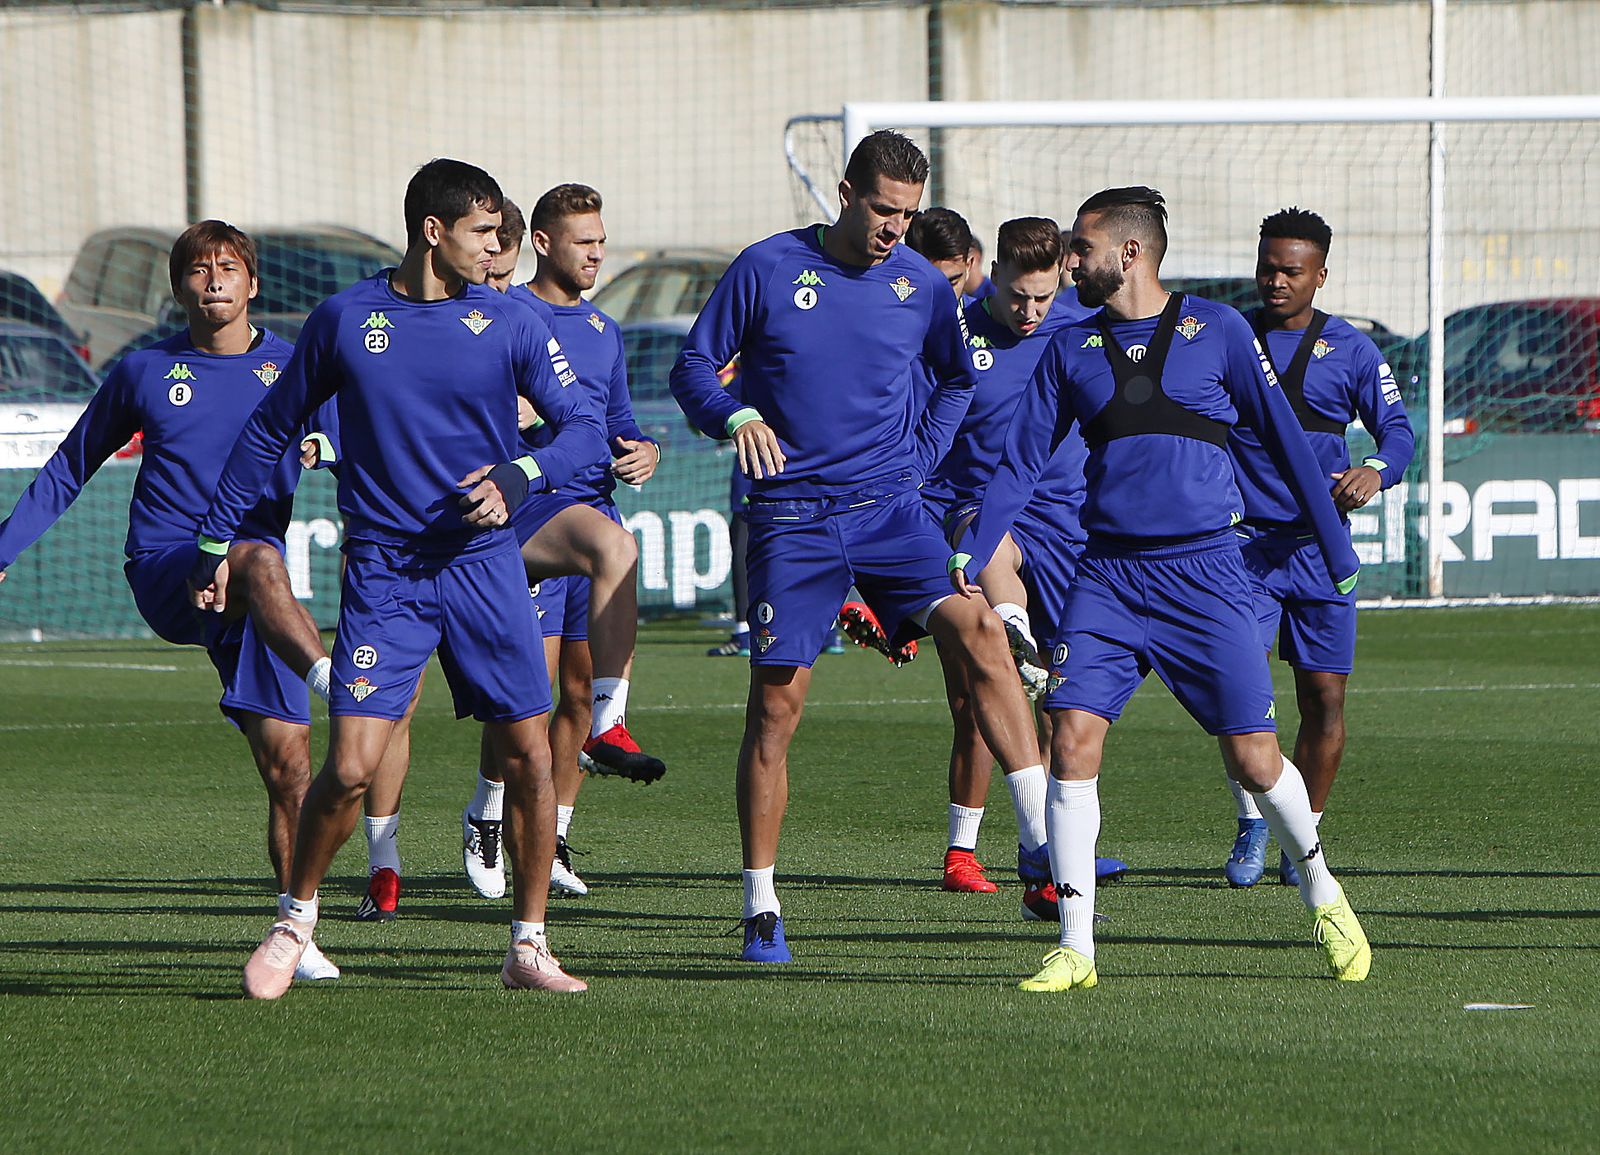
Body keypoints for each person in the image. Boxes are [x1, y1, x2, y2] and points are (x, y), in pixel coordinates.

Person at [192, 158, 606, 998]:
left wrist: (523, 477)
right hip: (386, 571)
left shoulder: (513, 321)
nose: (500, 251)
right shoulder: (346, 319)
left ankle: (528, 945)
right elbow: (268, 431)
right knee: (348, 765)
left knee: (529, 754)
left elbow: (585, 428)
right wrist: (212, 543)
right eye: (486, 233)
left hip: (486, 568)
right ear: (433, 231)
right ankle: (292, 920)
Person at [952, 186, 1373, 990]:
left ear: (1131, 254)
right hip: (1105, 576)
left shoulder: (1216, 329)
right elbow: (1020, 462)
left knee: (1254, 759)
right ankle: (1077, 945)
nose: (1071, 261)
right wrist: (970, 553)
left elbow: (1287, 441)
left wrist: (1331, 542)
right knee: (1071, 739)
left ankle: (1321, 885)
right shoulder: (1069, 349)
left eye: (1083, 247)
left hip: (1208, 574)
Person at [670, 130, 1050, 964]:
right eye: (884, 210)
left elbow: (957, 379)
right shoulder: (766, 267)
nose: (894, 229)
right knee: (776, 706)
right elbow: (692, 366)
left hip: (889, 511)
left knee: (984, 629)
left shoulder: (919, 282)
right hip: (793, 519)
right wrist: (734, 414)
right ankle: (761, 902)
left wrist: (918, 458)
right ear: (844, 192)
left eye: (908, 214)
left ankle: (1037, 842)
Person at [0, 219, 338, 982]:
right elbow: (69, 466)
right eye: (197, 268)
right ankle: (336, 678)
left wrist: (330, 445)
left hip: (257, 595)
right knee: (256, 555)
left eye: (228, 267)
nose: (212, 278)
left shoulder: (297, 367)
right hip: (172, 570)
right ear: (179, 286)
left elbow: (362, 437)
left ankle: (296, 922)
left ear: (253, 284)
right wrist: (3, 547)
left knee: (290, 765)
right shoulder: (145, 370)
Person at [461, 183, 662, 901]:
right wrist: (508, 410)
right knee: (530, 697)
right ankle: (487, 812)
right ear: (543, 243)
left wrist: (643, 451)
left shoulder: (605, 331)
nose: (597, 253)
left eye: (602, 240)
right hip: (534, 517)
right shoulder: (508, 312)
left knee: (577, 691)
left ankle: (559, 834)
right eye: (584, 241)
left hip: (595, 511)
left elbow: (620, 423)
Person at [920, 217, 1126, 899]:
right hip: (976, 511)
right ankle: (1014, 632)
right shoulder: (953, 334)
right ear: (992, 272)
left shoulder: (1077, 322)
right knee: (988, 658)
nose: (1031, 312)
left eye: (1042, 298)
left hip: (1069, 523)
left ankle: (1051, 860)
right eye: (1017, 297)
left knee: (1062, 710)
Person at [1220, 207, 1414, 887]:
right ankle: (1250, 820)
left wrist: (1376, 470)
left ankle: (1302, 838)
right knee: (1240, 687)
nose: (1275, 281)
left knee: (1324, 698)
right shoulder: (1229, 337)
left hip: (1320, 548)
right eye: (1267, 267)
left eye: (1291, 271)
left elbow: (1398, 432)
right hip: (1241, 549)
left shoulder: (1353, 350)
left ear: (1320, 275)